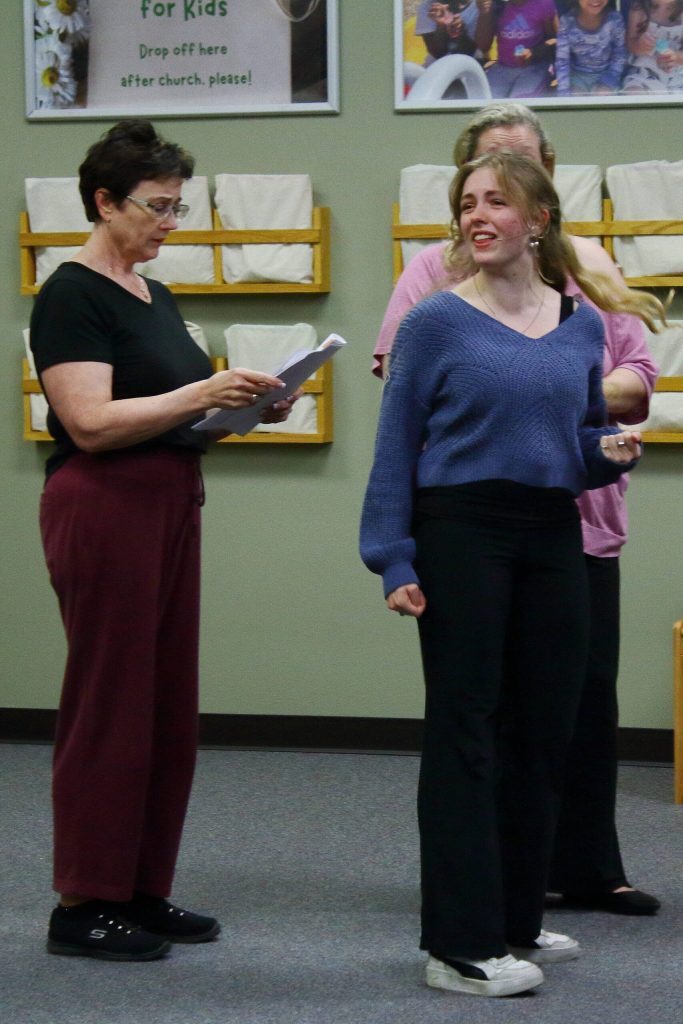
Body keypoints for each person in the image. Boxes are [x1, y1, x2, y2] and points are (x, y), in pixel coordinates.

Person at [361, 150, 665, 998]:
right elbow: (396, 451)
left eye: (496, 201)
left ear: (538, 219)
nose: (477, 215)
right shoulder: (433, 323)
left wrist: (604, 456)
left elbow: (569, 449)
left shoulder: (578, 325)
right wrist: (391, 554)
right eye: (466, 203)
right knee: (468, 733)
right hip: (459, 532)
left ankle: (515, 920)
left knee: (544, 729)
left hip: (548, 533)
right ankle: (458, 945)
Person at [31, 119, 299, 962]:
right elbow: (89, 423)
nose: (170, 223)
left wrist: (244, 409)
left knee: (165, 706)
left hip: (170, 497)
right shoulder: (69, 292)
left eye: (179, 207)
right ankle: (83, 901)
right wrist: (198, 395)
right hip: (104, 504)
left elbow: (175, 418)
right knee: (110, 704)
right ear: (104, 203)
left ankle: (140, 887)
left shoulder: (156, 294)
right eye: (157, 207)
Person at [475, 0, 559, 97]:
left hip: (534, 69)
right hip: (503, 68)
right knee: (485, 103)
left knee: (519, 104)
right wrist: (484, 14)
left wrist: (534, 53)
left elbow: (558, 41)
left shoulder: (544, 4)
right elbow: (483, 46)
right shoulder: (497, 5)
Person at [555, 0, 627, 96]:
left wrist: (609, 81)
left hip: (607, 73)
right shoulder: (567, 22)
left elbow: (619, 54)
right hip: (577, 76)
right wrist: (564, 91)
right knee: (575, 100)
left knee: (603, 97)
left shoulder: (615, 19)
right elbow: (562, 60)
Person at [622, 0, 683, 93]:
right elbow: (630, 44)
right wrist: (639, 45)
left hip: (678, 74)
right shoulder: (639, 8)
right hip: (644, 71)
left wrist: (677, 58)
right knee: (634, 93)